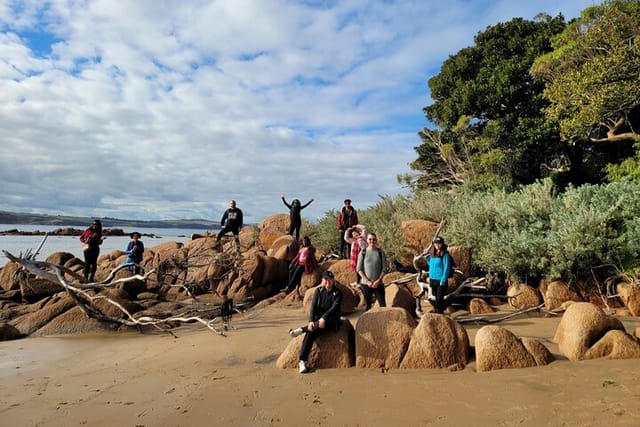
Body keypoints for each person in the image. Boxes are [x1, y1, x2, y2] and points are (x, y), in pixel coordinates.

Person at [288, 270, 343, 373]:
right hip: (319, 321)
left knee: (310, 330)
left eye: (330, 279)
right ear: (322, 280)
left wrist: (324, 318)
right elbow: (313, 307)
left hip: (331, 321)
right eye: (326, 279)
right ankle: (302, 362)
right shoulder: (318, 291)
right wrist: (311, 321)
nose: (328, 282)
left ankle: (301, 330)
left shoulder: (337, 293)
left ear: (333, 280)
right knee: (310, 332)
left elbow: (334, 308)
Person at [356, 232, 388, 311]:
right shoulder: (363, 252)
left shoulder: (381, 252)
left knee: (383, 306)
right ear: (367, 240)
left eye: (374, 239)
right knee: (368, 307)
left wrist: (378, 280)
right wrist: (367, 281)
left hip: (378, 284)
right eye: (370, 239)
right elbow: (359, 269)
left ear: (376, 240)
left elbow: (384, 268)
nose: (372, 241)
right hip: (366, 284)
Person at [425, 236, 453, 314]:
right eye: (435, 243)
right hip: (433, 279)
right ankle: (438, 312)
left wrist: (443, 279)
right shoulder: (432, 254)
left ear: (442, 244)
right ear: (433, 244)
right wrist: (426, 257)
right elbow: (431, 265)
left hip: (441, 280)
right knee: (435, 298)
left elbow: (446, 267)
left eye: (439, 243)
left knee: (440, 299)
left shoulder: (444, 254)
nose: (437, 245)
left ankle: (440, 314)